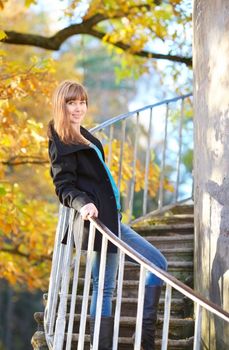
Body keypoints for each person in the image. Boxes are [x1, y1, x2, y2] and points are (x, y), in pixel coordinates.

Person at [48, 80, 168, 350]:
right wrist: (83, 204)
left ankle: (145, 340)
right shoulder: (61, 142)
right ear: (61, 105)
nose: (78, 108)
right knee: (103, 288)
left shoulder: (86, 137)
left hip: (113, 220)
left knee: (157, 263)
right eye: (71, 103)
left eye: (82, 102)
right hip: (97, 225)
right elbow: (63, 186)